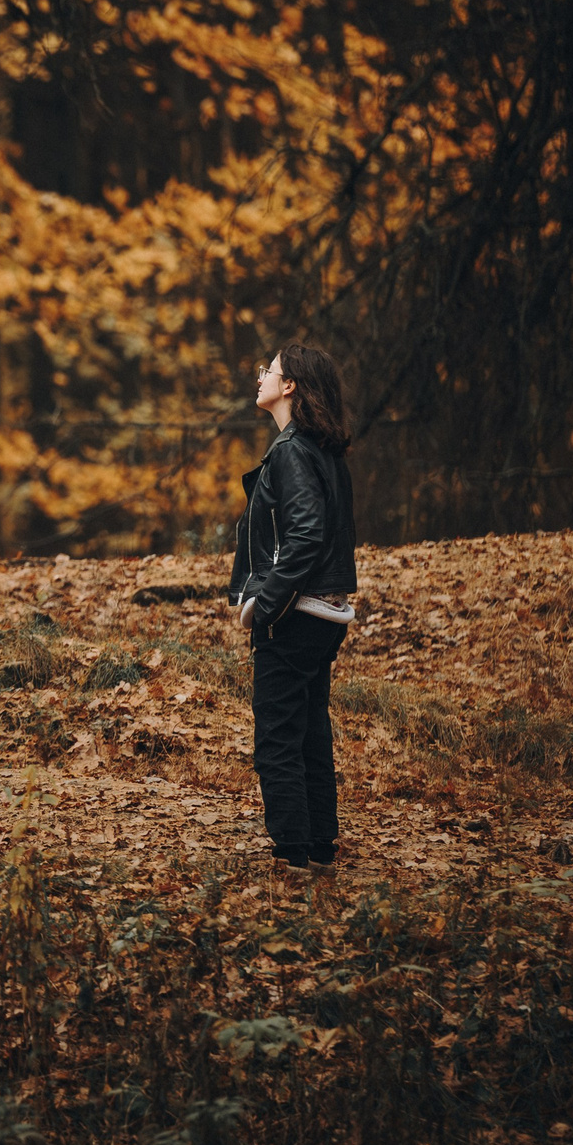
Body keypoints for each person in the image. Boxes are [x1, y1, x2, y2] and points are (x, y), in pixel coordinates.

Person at [228, 344, 359, 874]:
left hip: (296, 614)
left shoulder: (290, 451)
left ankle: (291, 857)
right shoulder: (323, 452)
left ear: (290, 388)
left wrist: (263, 605)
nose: (260, 375)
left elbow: (305, 537)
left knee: (278, 740)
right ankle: (319, 850)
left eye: (271, 370)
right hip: (326, 614)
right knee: (309, 733)